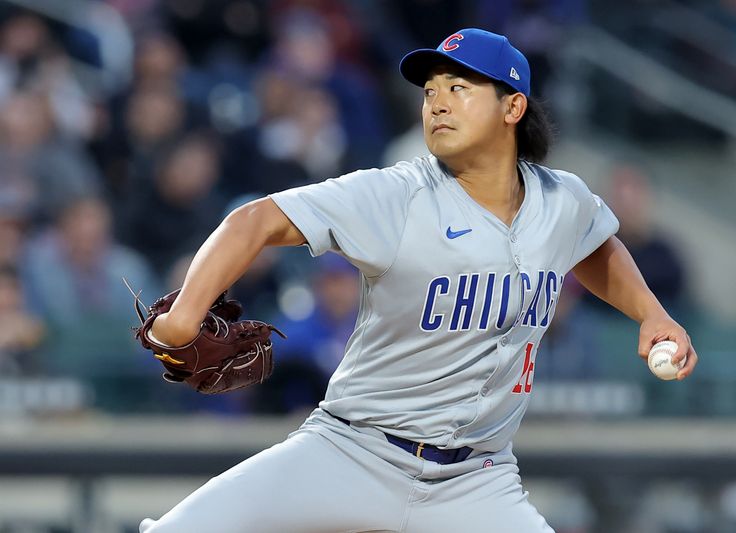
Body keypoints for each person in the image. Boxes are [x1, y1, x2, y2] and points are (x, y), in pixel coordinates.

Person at [139, 28, 698, 533]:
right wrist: (186, 315)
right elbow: (252, 220)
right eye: (430, 91)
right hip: (353, 452)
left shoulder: (562, 199)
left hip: (479, 480)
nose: (438, 103)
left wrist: (650, 312)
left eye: (459, 88)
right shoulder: (395, 196)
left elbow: (596, 244)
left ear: (513, 106)